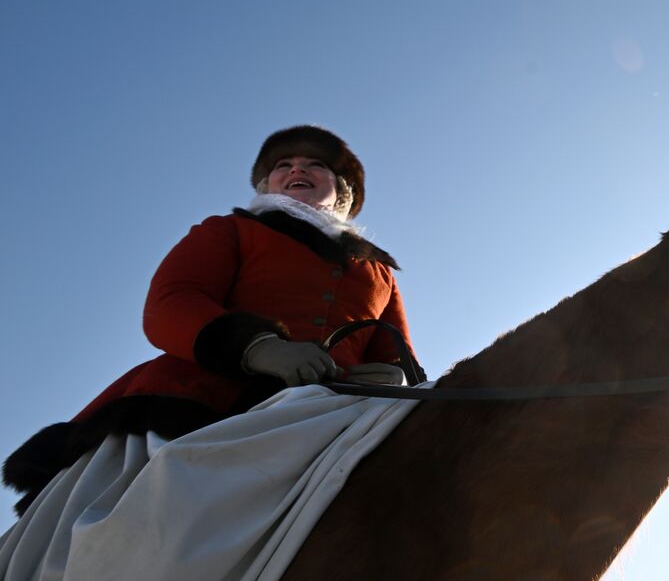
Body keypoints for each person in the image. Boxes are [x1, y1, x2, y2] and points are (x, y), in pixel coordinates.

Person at [3, 125, 415, 513]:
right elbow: (171, 302)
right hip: (203, 403)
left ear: (343, 191)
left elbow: (397, 352)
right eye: (282, 166)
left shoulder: (380, 273)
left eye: (315, 164)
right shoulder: (230, 230)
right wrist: (258, 347)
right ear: (267, 185)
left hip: (336, 418)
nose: (296, 169)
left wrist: (390, 378)